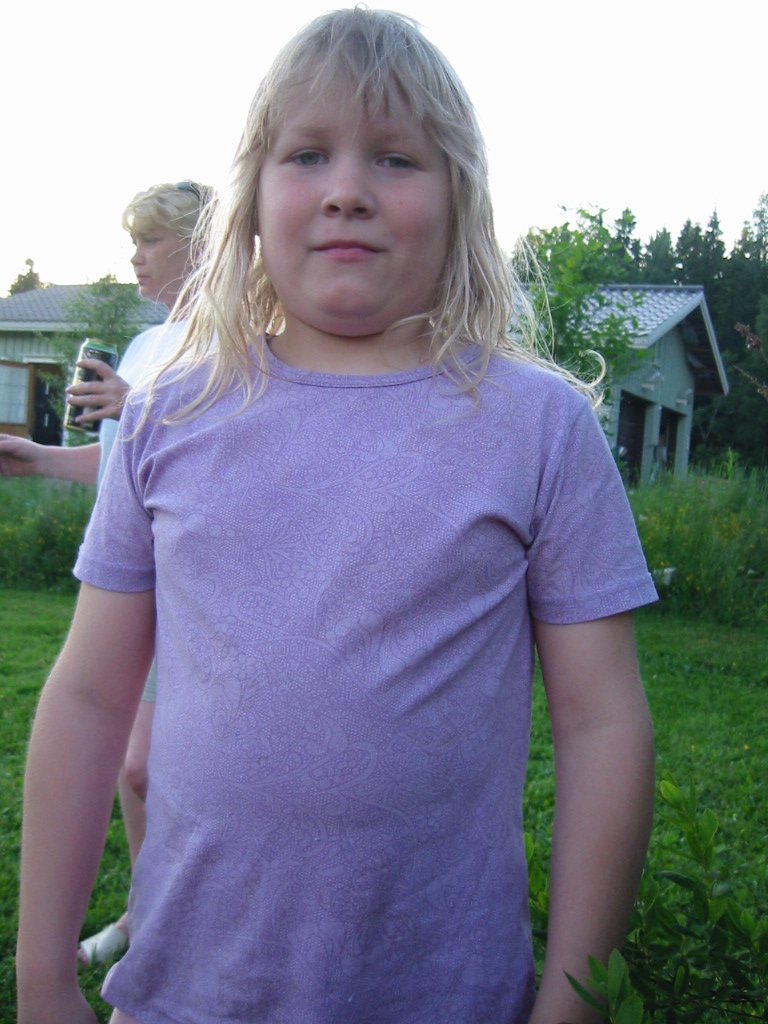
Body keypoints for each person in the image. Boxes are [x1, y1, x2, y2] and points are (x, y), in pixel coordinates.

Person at [16, 10, 657, 1024]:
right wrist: (44, 976)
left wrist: (573, 1001)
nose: (347, 188)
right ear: (251, 199)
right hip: (187, 995)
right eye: (307, 153)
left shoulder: (539, 428)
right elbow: (91, 699)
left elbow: (602, 720)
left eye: (396, 158)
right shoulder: (171, 415)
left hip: (444, 999)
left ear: (460, 196)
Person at [4, 180, 208, 965]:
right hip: (128, 586)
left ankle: (177, 922)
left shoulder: (242, 340)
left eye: (150, 240)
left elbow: (226, 457)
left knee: (157, 765)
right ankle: (143, 916)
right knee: (136, 767)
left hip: (199, 585)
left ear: (199, 245)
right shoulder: (147, 345)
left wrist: (139, 409)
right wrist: (38, 459)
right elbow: (125, 465)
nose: (135, 258)